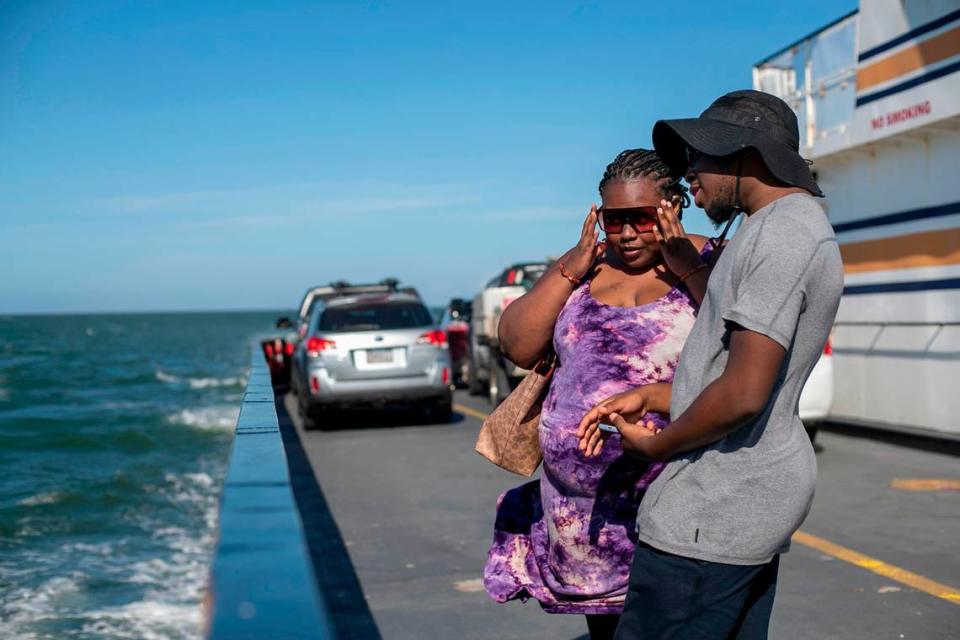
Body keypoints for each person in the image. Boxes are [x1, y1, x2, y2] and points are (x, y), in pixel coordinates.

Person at [577, 90, 844, 639]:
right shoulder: (769, 230)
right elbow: (730, 346)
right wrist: (657, 393)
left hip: (716, 508)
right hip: (729, 504)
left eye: (699, 157)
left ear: (744, 153)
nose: (688, 174)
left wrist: (657, 445)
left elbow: (745, 391)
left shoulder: (785, 234)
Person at [483, 149, 715, 640]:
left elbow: (739, 350)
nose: (628, 234)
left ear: (673, 207)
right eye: (615, 221)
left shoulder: (710, 260)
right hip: (585, 517)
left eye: (643, 218)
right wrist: (572, 263)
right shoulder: (584, 269)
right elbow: (519, 345)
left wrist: (687, 266)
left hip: (673, 501)